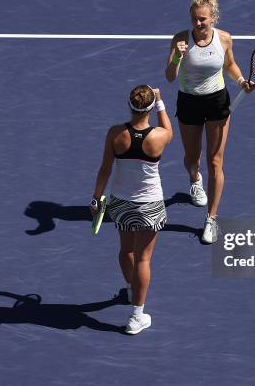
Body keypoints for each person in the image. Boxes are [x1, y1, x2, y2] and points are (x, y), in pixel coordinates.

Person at [165, 0, 255, 244]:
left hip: (216, 102)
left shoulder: (225, 39)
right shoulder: (180, 40)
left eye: (203, 19)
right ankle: (194, 180)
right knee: (192, 158)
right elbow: (170, 77)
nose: (198, 23)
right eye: (194, 19)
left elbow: (229, 64)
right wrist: (176, 57)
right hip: (189, 102)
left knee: (215, 161)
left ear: (213, 17)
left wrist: (240, 81)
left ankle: (211, 219)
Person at [91, 85, 173, 335]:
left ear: (130, 105)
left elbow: (105, 168)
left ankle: (130, 289)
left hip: (121, 203)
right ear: (148, 107)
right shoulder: (159, 137)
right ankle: (137, 315)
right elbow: (169, 129)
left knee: (126, 250)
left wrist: (96, 199)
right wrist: (160, 102)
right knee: (143, 259)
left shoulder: (115, 134)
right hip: (150, 206)